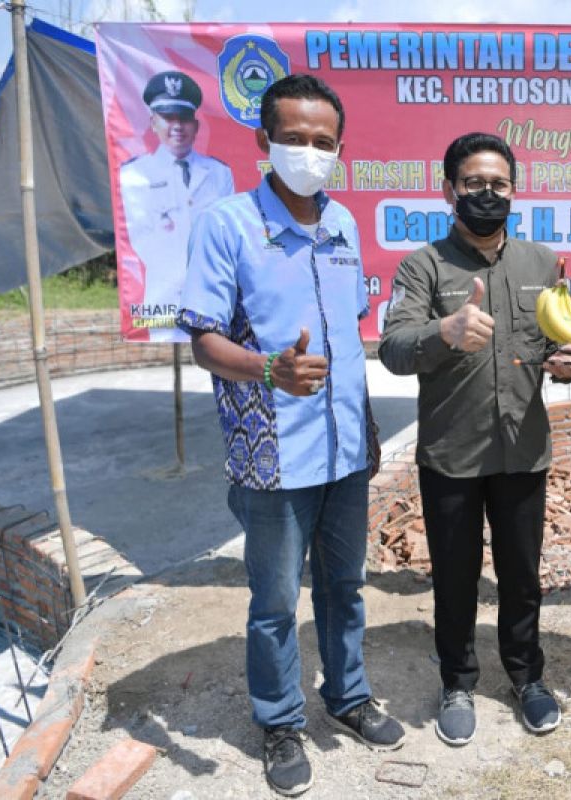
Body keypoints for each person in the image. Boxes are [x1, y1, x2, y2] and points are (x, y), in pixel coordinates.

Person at [176, 74, 403, 797]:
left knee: (346, 586)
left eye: (323, 141)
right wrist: (268, 369)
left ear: (340, 148)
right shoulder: (227, 225)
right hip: (271, 457)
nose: (309, 151)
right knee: (275, 601)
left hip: (343, 450)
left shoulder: (343, 226)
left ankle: (349, 695)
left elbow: (348, 339)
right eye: (295, 138)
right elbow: (204, 342)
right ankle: (279, 720)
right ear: (262, 142)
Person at [379, 132, 571, 747]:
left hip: (523, 447)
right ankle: (458, 681)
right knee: (455, 575)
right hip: (452, 451)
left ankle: (527, 677)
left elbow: (554, 339)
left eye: (498, 184)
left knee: (522, 574)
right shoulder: (423, 266)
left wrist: (565, 361)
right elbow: (393, 349)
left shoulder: (540, 263)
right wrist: (443, 331)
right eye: (473, 184)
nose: (486, 194)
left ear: (514, 190)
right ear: (449, 190)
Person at [120, 70, 233, 341]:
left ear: (195, 125)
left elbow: (226, 235)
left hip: (212, 290)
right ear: (153, 123)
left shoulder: (218, 173)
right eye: (168, 118)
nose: (177, 126)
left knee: (217, 356)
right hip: (164, 295)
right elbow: (139, 238)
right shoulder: (134, 175)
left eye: (183, 118)